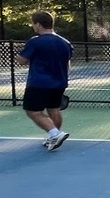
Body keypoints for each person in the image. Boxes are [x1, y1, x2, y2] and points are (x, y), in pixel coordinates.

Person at [16, 11, 73, 151]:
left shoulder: (35, 41)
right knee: (54, 110)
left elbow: (22, 61)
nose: (33, 27)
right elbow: (68, 64)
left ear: (38, 25)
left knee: (33, 112)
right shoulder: (65, 43)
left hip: (38, 83)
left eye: (33, 24)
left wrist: (17, 56)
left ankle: (55, 133)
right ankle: (53, 137)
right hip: (59, 83)